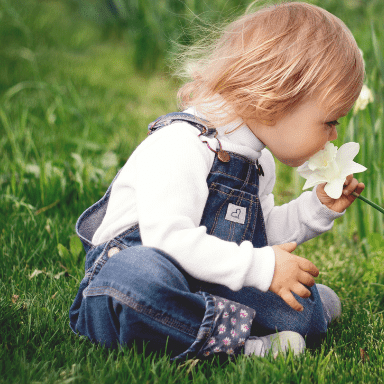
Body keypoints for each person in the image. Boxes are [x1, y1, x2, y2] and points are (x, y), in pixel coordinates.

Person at [68, 2, 365, 360]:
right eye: (329, 121)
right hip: (134, 278)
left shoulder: (258, 161)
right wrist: (262, 267)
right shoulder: (183, 144)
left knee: (297, 305)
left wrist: (314, 209)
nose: (333, 135)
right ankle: (243, 346)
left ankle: (284, 314)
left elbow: (258, 234)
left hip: (203, 278)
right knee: (137, 280)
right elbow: (169, 240)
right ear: (277, 98)